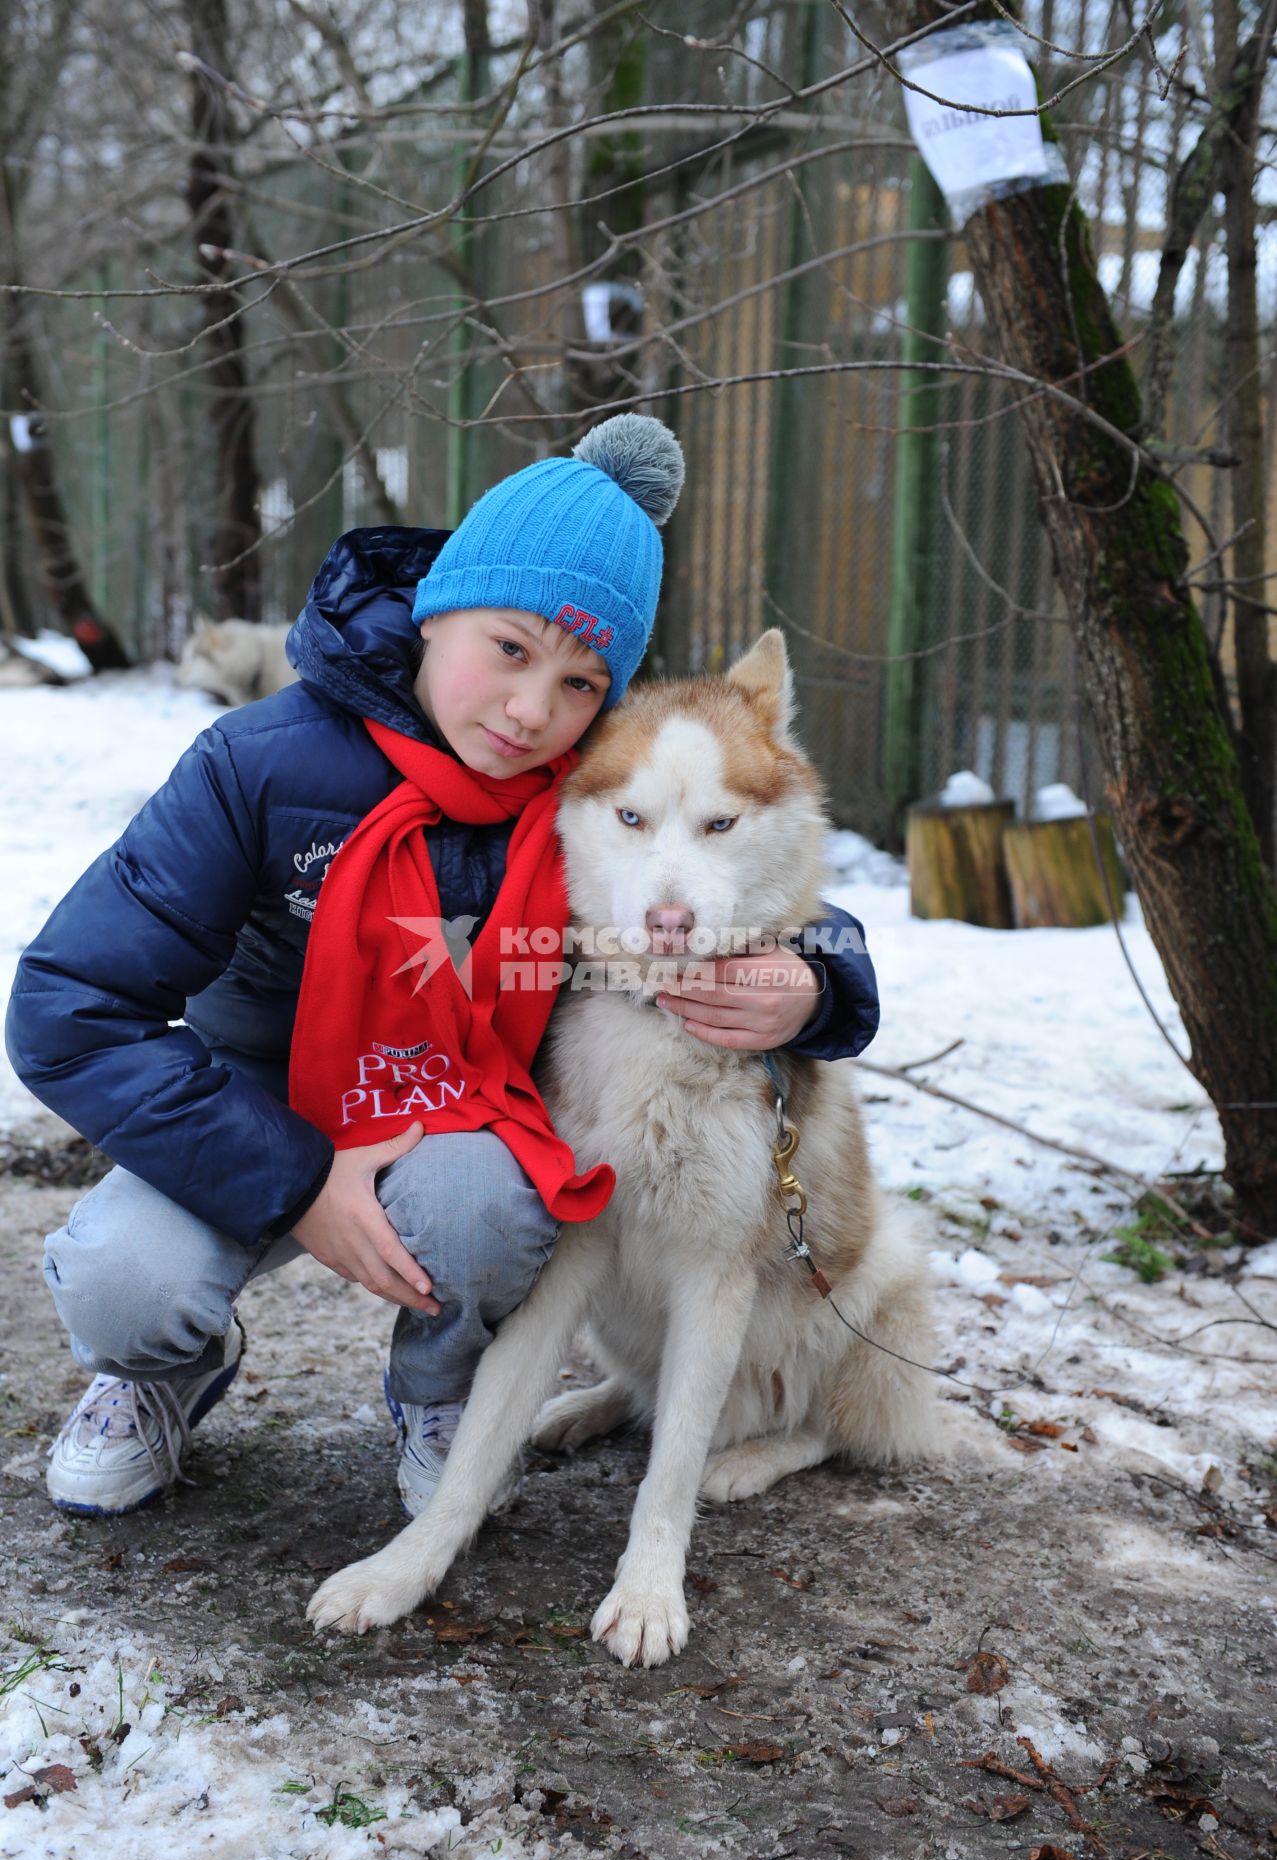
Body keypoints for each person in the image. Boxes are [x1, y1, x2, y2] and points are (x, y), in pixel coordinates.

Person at [5, 414, 881, 1522]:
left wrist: (820, 984)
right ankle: (158, 1374)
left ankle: (438, 1392)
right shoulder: (257, 765)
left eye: (579, 682)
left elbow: (763, 890)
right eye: (508, 649)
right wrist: (298, 1179)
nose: (529, 710)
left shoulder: (580, 792)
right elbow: (66, 1007)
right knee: (126, 1284)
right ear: (437, 607)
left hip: (451, 1119)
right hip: (244, 1104)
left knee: (492, 1211)